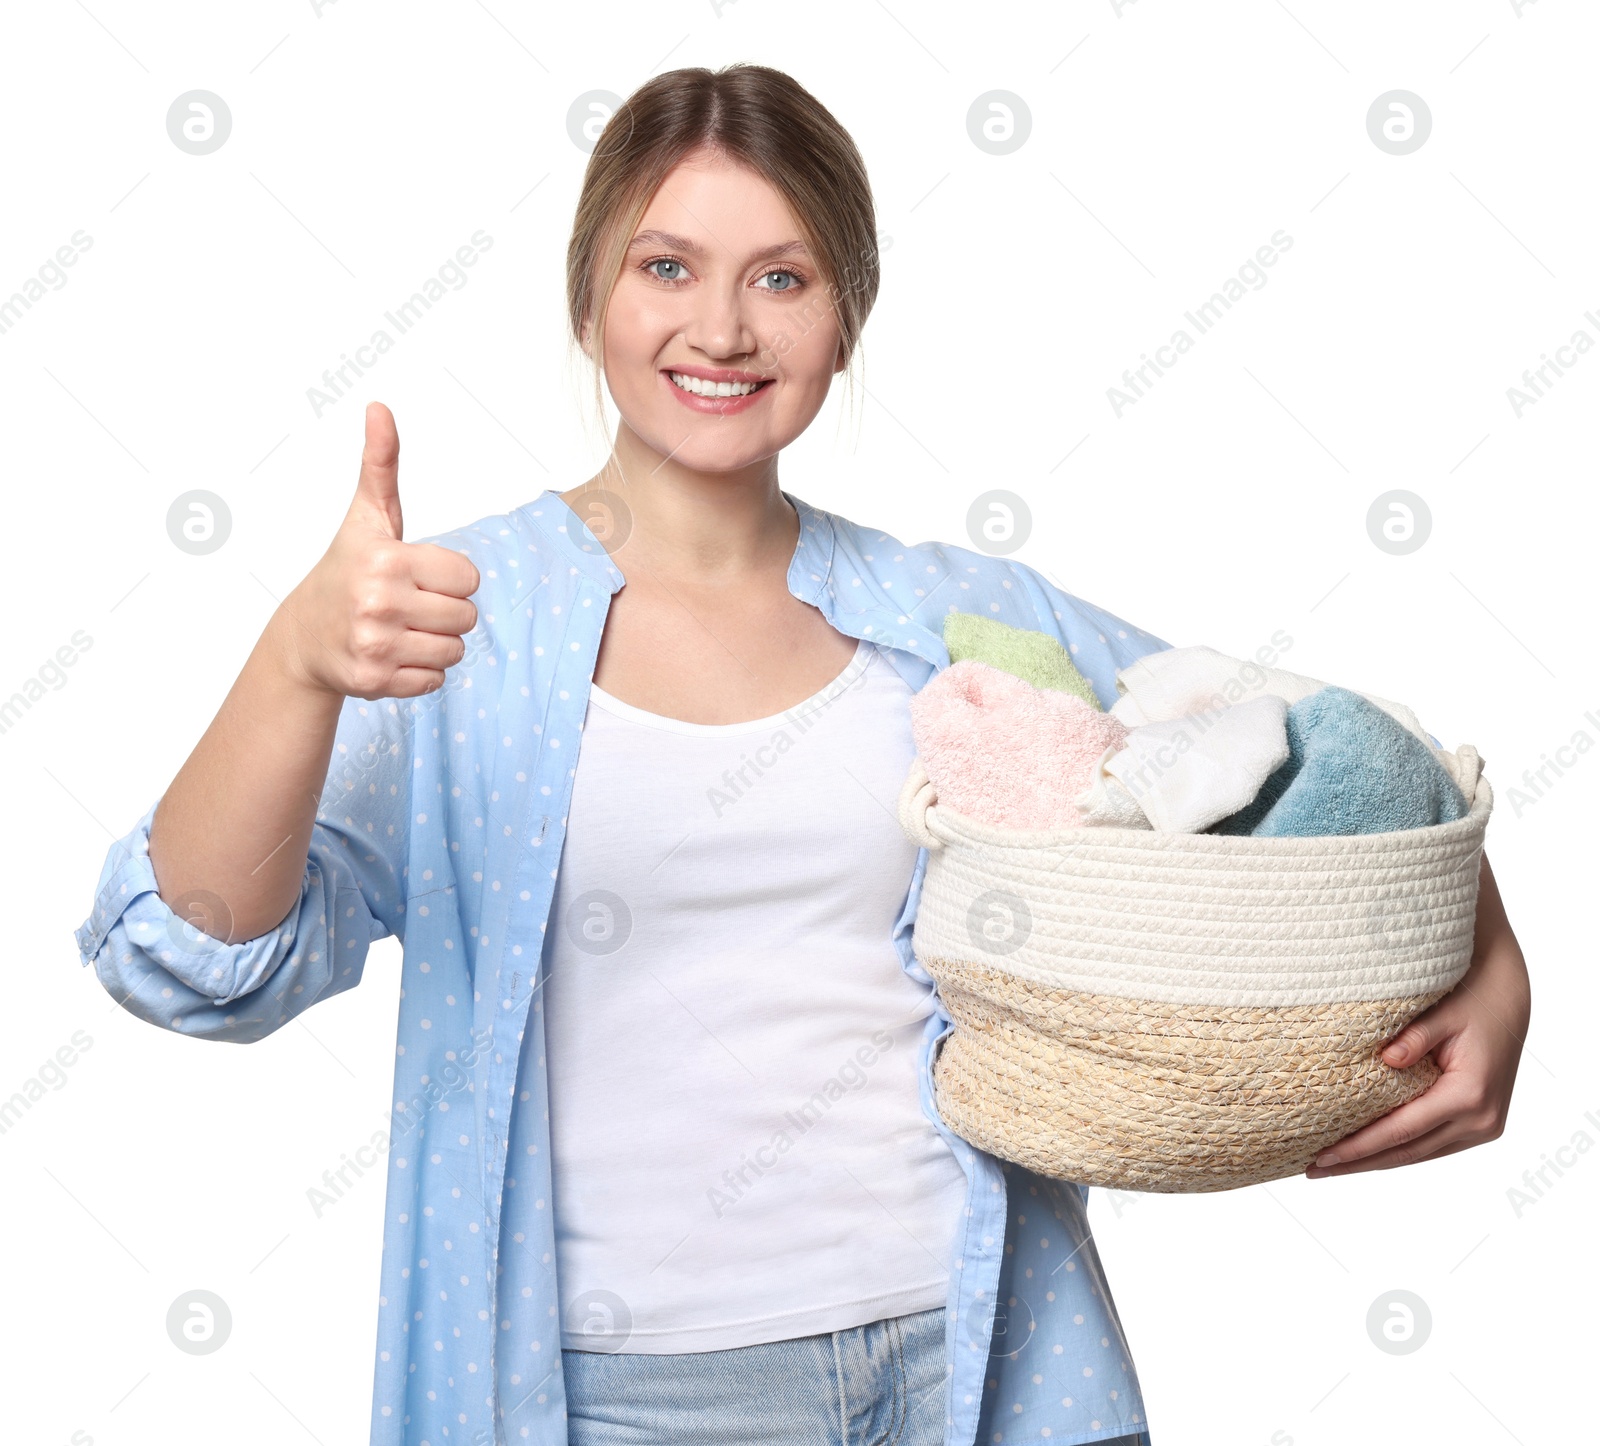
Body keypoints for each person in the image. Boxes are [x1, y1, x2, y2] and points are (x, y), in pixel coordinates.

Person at [73, 62, 1530, 1446]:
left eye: (782, 276)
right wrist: (294, 663)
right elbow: (187, 959)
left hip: (990, 1360)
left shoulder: (952, 615)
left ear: (846, 317)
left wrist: (1491, 952)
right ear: (589, 297)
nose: (722, 327)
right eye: (667, 267)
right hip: (624, 1392)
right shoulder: (449, 623)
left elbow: (1305, 754)